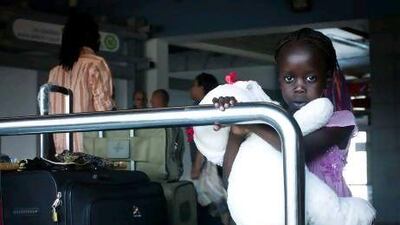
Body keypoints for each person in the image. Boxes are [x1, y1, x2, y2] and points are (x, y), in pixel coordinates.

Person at [217, 27, 355, 197]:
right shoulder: (271, 119)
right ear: (280, 81)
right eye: (289, 78)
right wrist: (236, 130)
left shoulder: (341, 122)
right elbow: (230, 182)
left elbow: (298, 151)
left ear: (326, 80)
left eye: (310, 78)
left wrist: (249, 120)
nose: (299, 87)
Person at [48, 12, 114, 154]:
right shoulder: (95, 64)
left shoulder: (54, 72)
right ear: (94, 37)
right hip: (90, 154)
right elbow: (105, 112)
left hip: (61, 155)